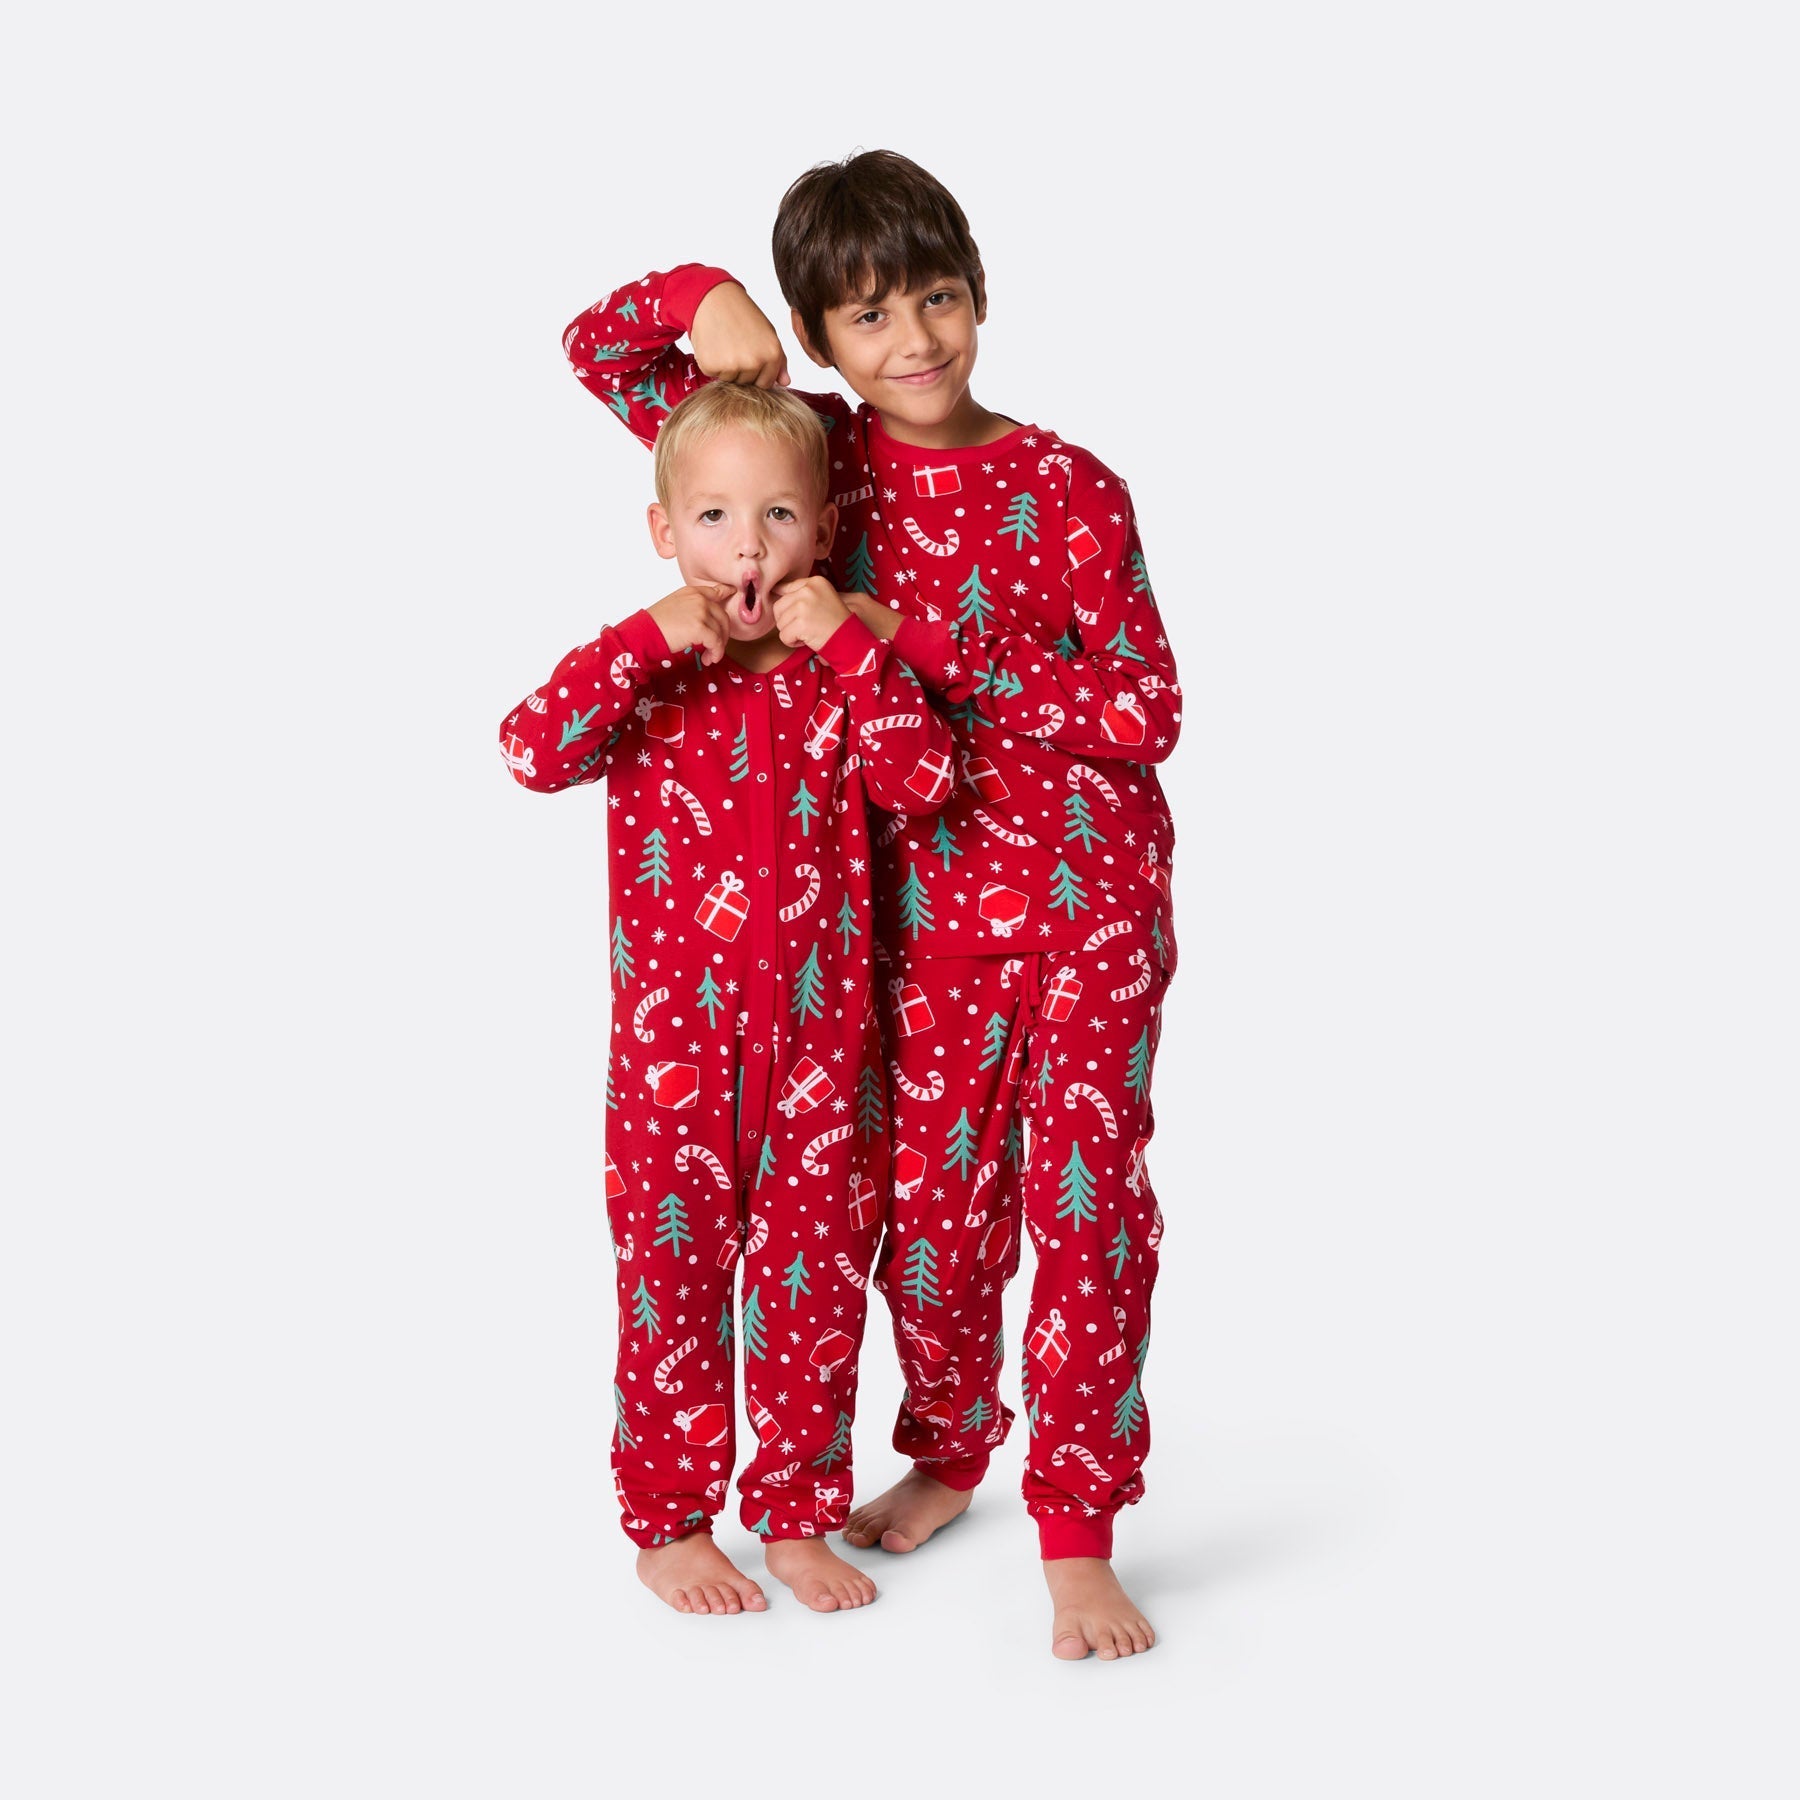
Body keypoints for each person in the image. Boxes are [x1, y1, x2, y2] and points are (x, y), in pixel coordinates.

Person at [564, 149, 1179, 1661]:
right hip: (907, 920)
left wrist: (921, 644)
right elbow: (604, 357)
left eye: (938, 299)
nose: (913, 340)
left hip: (1088, 908)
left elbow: (1146, 709)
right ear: (817, 338)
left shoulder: (1070, 488)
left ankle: (1080, 1535)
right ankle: (954, 1450)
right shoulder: (804, 466)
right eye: (867, 316)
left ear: (982, 295)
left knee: (1086, 1207)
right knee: (929, 1224)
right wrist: (700, 298)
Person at [499, 379, 954, 1617]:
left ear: (823, 534)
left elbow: (923, 782)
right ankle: (671, 1524)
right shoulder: (648, 671)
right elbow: (529, 749)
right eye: (712, 517)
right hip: (675, 1061)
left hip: (822, 1052)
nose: (745, 548)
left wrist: (852, 646)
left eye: (777, 516)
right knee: (672, 1282)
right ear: (664, 532)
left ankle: (797, 1515)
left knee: (813, 1286)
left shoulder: (838, 674)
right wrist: (639, 641)